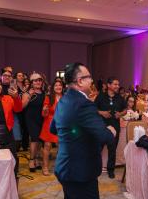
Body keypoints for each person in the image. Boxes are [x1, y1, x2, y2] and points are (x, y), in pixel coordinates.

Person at [50, 62, 116, 199]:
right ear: (80, 81)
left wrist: (77, 132)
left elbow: (53, 128)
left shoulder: (63, 100)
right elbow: (105, 137)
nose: (92, 80)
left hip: (65, 167)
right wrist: (111, 131)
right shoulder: (84, 105)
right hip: (80, 172)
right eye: (89, 77)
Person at [94, 77, 127, 178]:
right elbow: (93, 109)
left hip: (115, 126)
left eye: (118, 84)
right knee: (97, 148)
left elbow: (125, 109)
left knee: (112, 149)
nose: (117, 86)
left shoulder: (120, 98)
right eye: (115, 84)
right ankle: (95, 168)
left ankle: (110, 170)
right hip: (102, 126)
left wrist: (120, 114)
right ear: (109, 85)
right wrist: (102, 112)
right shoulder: (100, 96)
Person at [22, 72, 46, 172]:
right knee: (34, 139)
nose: (38, 82)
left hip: (41, 119)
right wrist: (29, 95)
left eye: (40, 80)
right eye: (36, 80)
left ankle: (36, 158)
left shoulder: (44, 93)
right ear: (31, 82)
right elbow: (22, 106)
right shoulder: (28, 93)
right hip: (31, 119)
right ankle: (31, 160)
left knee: (39, 140)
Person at [39, 80, 64, 176]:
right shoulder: (48, 97)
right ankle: (45, 167)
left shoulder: (65, 97)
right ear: (53, 88)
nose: (58, 87)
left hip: (62, 125)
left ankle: (60, 167)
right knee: (47, 146)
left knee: (62, 147)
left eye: (60, 85)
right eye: (56, 85)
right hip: (49, 123)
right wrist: (45, 110)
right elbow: (44, 114)